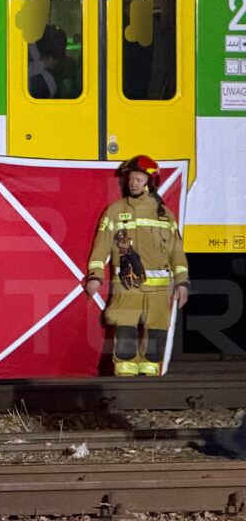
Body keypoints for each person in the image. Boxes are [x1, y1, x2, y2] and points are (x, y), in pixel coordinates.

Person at [85, 155, 189, 376]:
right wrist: (95, 275)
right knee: (125, 333)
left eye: (138, 179)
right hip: (127, 286)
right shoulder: (115, 211)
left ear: (149, 183)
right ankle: (124, 382)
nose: (133, 183)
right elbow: (101, 246)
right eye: (131, 179)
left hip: (159, 292)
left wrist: (182, 283)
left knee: (157, 335)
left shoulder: (165, 216)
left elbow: (176, 252)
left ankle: (149, 384)